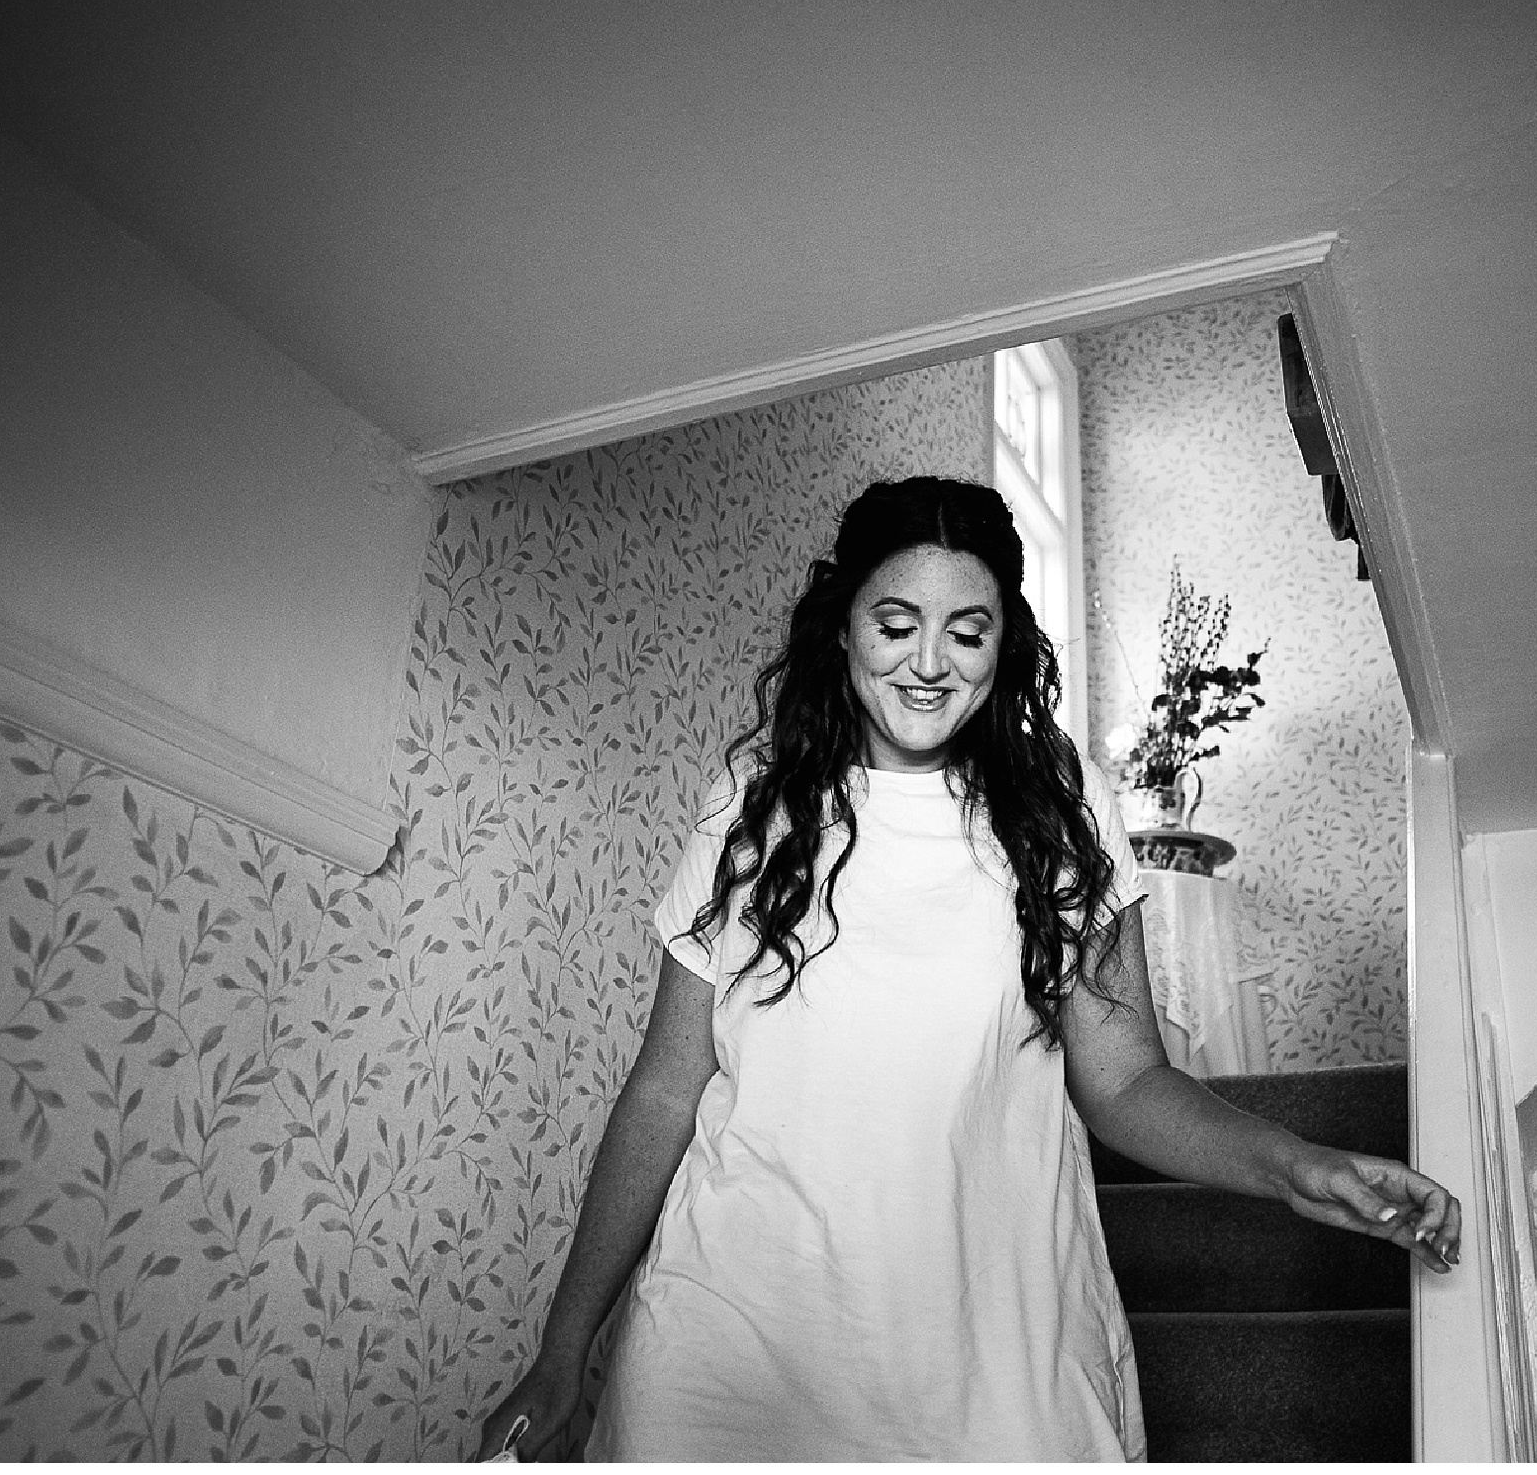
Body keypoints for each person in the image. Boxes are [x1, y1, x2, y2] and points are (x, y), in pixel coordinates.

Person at [476, 475, 1460, 1462]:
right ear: (843, 624)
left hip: (991, 1355)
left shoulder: (1063, 802)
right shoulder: (751, 802)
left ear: (1007, 641)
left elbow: (1124, 1080)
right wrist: (566, 1347)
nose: (930, 665)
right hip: (727, 1341)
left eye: (968, 631)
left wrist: (1297, 1167)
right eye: (896, 623)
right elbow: (663, 1090)